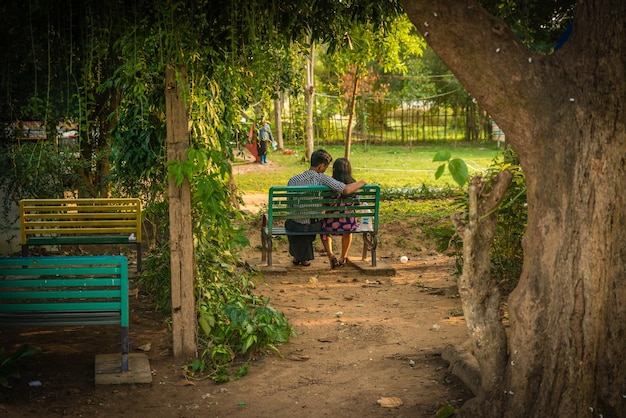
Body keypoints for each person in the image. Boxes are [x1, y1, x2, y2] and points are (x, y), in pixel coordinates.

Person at [286, 149, 366, 267]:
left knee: (291, 223)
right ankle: (302, 258)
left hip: (296, 223)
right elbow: (346, 189)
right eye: (325, 167)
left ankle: (300, 257)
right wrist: (362, 182)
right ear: (321, 166)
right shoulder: (323, 179)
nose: (325, 170)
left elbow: (290, 206)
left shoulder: (293, 180)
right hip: (314, 225)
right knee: (313, 223)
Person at [321, 158, 360, 268]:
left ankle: (331, 255)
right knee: (348, 230)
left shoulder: (329, 185)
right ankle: (343, 257)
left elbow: (324, 205)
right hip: (348, 224)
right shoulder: (353, 185)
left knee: (323, 230)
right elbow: (357, 204)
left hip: (330, 224)